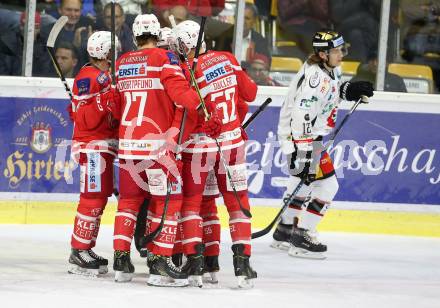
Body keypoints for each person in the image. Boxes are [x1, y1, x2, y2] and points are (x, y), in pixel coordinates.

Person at [112, 14, 218, 286]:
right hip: (158, 149)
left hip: (128, 147)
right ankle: (159, 264)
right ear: (158, 34)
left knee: (128, 204)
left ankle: (121, 261)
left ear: (134, 37)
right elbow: (182, 95)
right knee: (167, 203)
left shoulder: (122, 62)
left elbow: (114, 104)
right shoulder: (164, 59)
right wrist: (200, 100)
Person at [274, 31, 374, 259]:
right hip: (302, 139)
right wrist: (305, 151)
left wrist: (348, 91)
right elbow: (302, 115)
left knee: (302, 184)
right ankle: (302, 237)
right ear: (322, 54)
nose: (341, 54)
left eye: (342, 49)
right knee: (328, 187)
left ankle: (284, 230)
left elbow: (330, 94)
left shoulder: (329, 70)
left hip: (303, 138)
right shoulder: (314, 79)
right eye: (336, 51)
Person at [173, 20, 258, 288]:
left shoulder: (185, 70)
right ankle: (243, 266)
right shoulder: (228, 58)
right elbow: (250, 93)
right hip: (232, 146)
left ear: (182, 46)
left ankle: (195, 264)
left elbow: (184, 113)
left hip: (199, 148)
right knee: (237, 204)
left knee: (192, 204)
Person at [68, 31, 119, 276]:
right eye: (113, 50)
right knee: (92, 198)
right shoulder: (90, 77)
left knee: (99, 198)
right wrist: (105, 98)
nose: (116, 54)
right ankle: (78, 250)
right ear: (105, 52)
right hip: (92, 147)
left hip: (102, 146)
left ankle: (86, 247)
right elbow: (84, 118)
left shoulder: (102, 76)